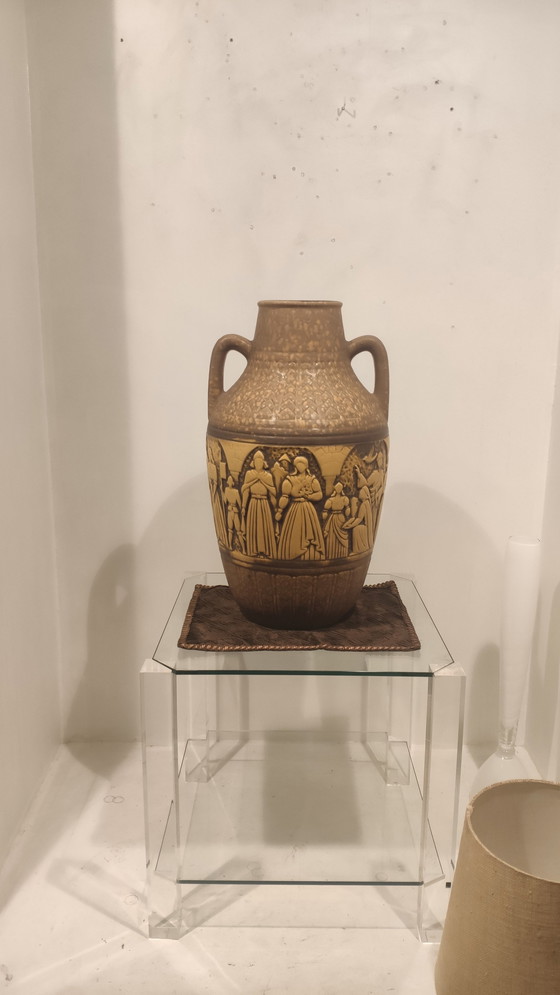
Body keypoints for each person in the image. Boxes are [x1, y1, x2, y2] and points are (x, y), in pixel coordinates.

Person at [276, 455, 325, 560]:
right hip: (295, 508)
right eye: (298, 464)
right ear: (295, 466)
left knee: (310, 531)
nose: (300, 466)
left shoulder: (311, 479)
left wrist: (309, 496)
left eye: (302, 464)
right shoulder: (290, 479)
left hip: (308, 509)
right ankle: (292, 554)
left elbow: (319, 494)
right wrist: (280, 510)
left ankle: (311, 557)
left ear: (306, 466)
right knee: (294, 532)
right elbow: (285, 496)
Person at [241, 451, 277, 557]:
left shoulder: (268, 476)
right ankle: (253, 551)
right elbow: (245, 490)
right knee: (254, 527)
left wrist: (275, 508)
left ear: (263, 463)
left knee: (265, 527)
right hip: (253, 503)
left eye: (260, 462)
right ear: (254, 462)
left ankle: (266, 551)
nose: (258, 464)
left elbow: (273, 493)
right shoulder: (249, 474)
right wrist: (243, 506)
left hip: (264, 504)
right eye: (256, 462)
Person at [323, 481, 351, 559]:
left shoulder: (341, 499)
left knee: (337, 534)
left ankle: (340, 554)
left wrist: (324, 518)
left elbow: (325, 512)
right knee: (332, 536)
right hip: (335, 518)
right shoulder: (332, 500)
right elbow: (325, 511)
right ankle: (332, 555)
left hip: (338, 518)